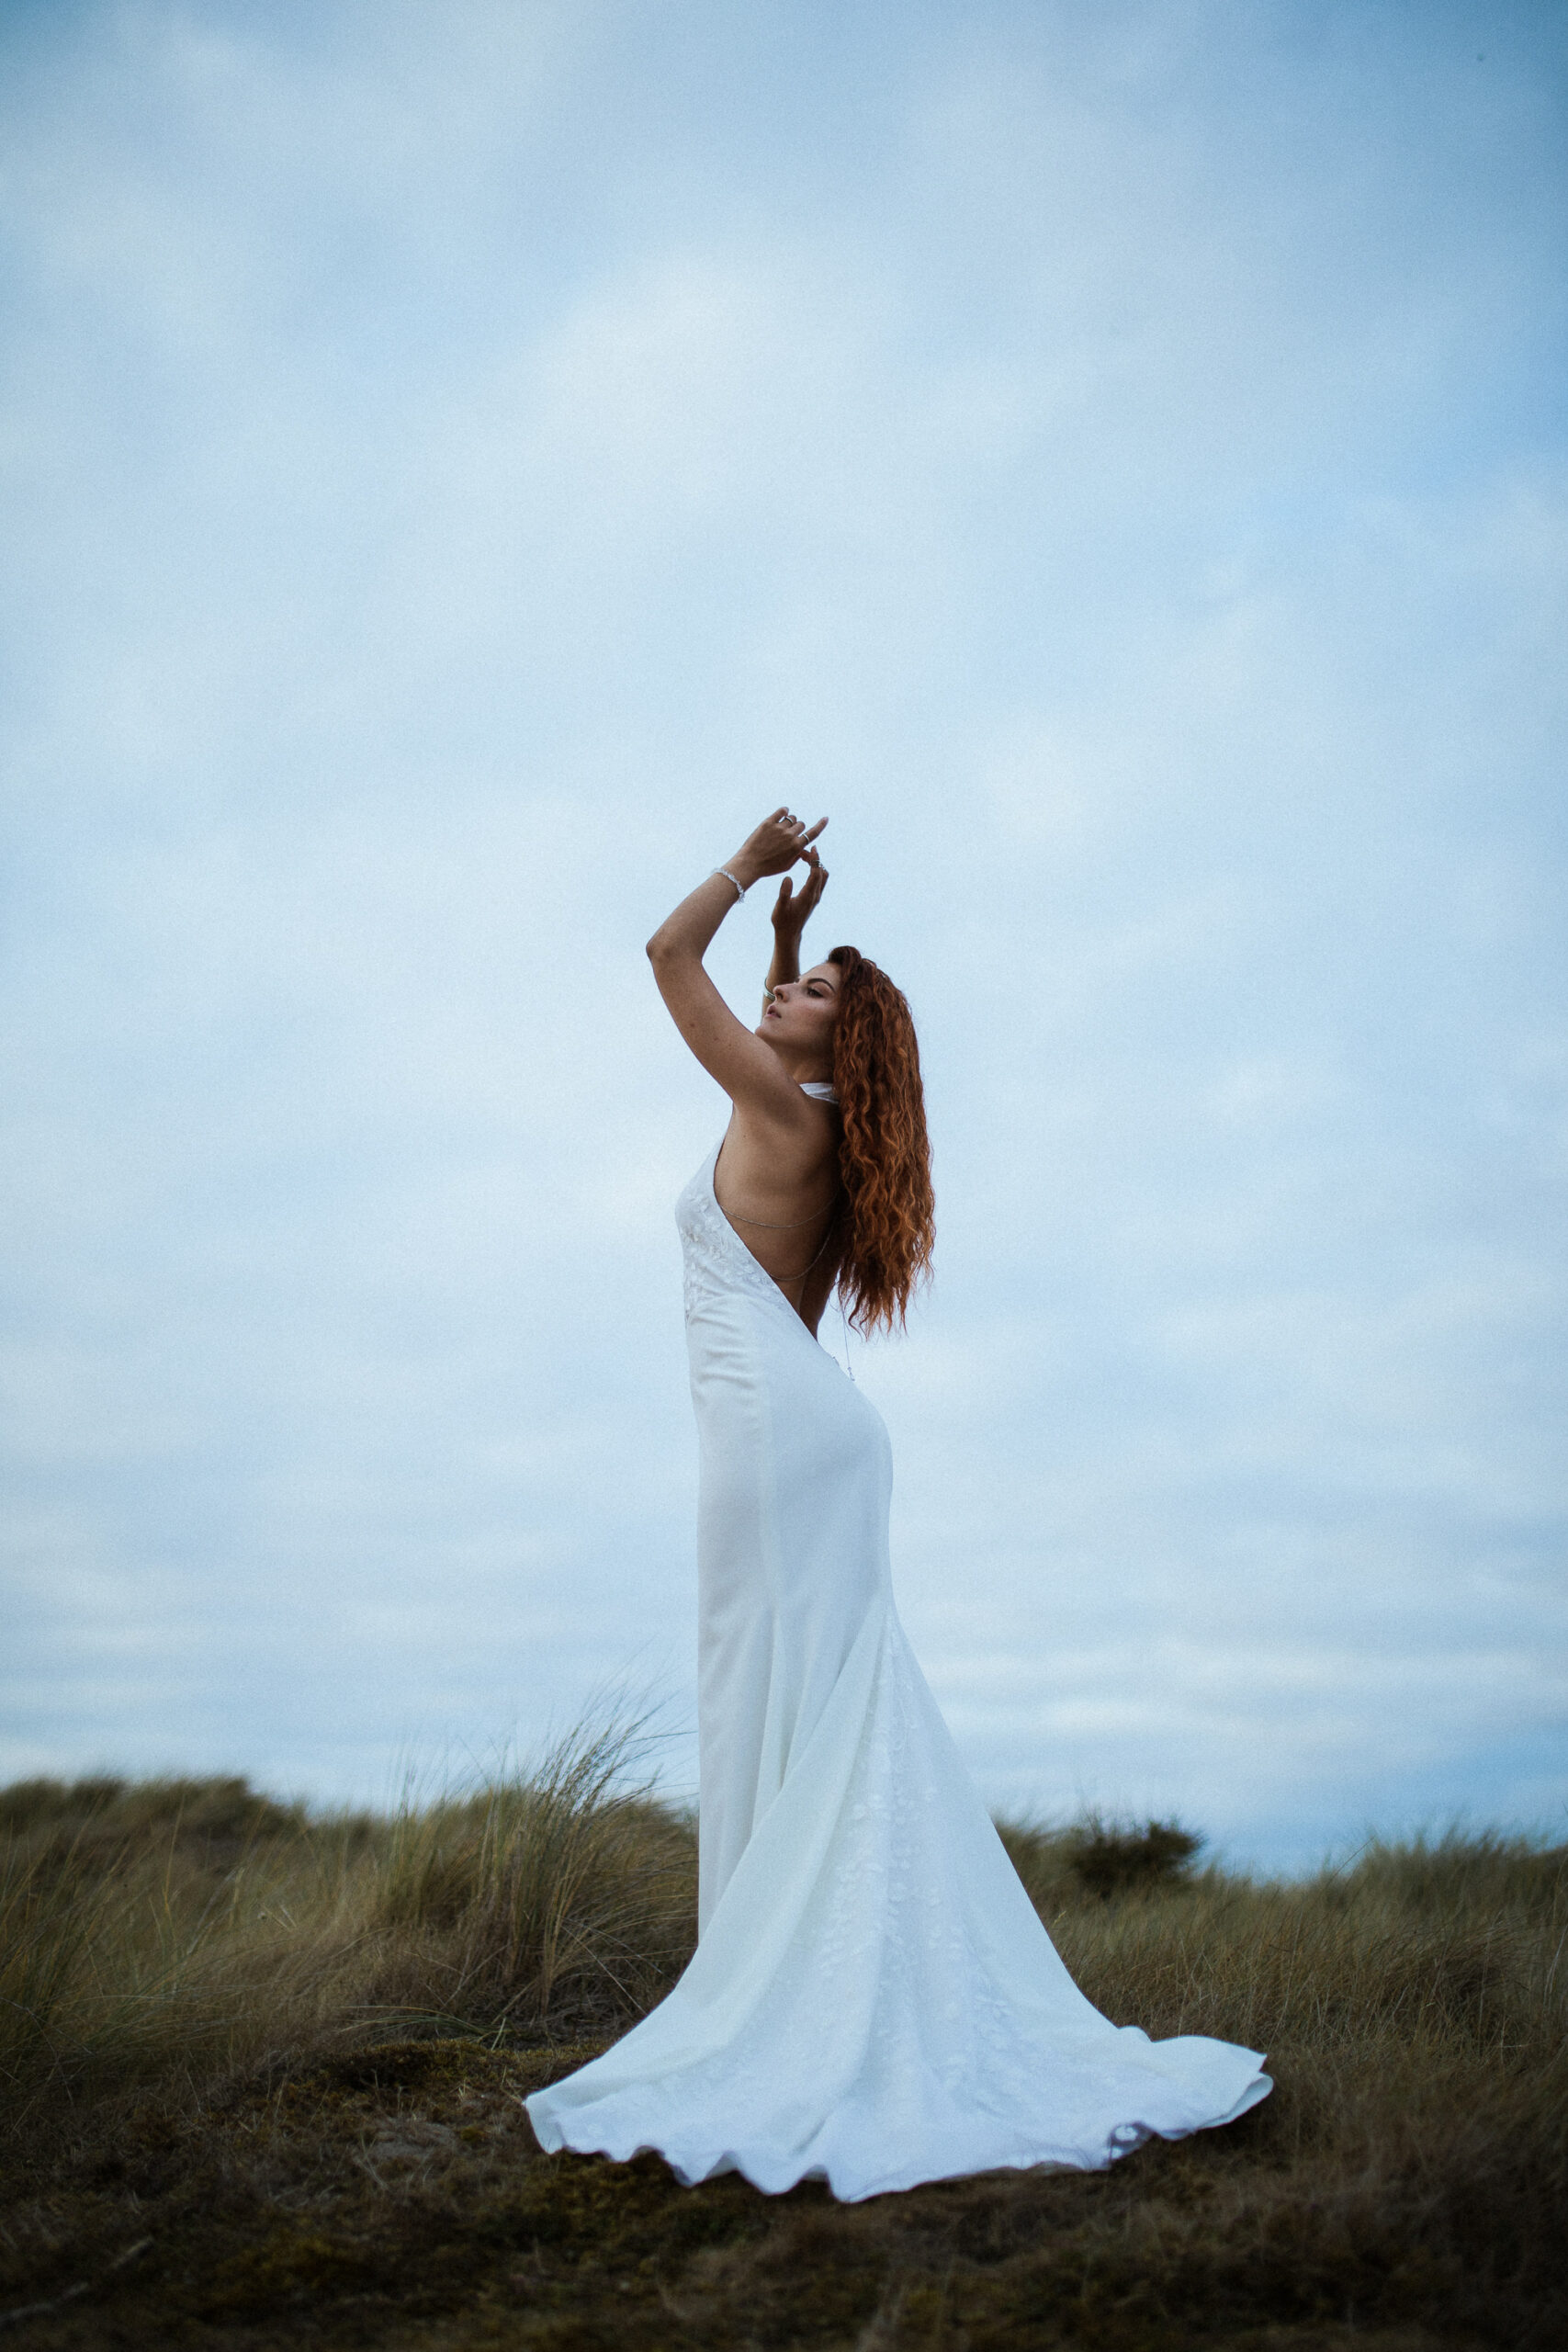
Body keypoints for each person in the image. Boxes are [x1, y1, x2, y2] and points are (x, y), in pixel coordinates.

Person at [525, 808, 1270, 2200]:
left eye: (801, 995)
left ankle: (764, 1999)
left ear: (829, 1045)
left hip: (774, 1443)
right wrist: (799, 934)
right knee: (808, 1703)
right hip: (808, 1440)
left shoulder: (769, 1105)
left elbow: (662, 949)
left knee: (769, 1692)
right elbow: (753, 993)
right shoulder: (804, 1112)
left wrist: (744, 866)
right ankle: (774, 1980)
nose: (776, 995)